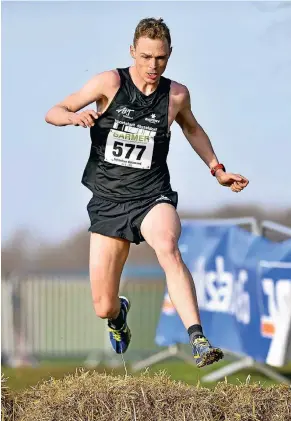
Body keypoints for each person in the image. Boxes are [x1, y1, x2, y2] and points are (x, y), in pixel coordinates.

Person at [45, 17, 249, 368]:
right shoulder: (109, 82)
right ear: (132, 52)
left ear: (169, 54)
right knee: (102, 305)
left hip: (152, 196)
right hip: (109, 201)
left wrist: (217, 169)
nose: (153, 66)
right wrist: (72, 118)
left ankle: (197, 339)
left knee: (168, 246)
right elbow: (55, 111)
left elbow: (193, 129)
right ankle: (118, 315)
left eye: (160, 58)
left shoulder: (177, 95)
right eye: (145, 57)